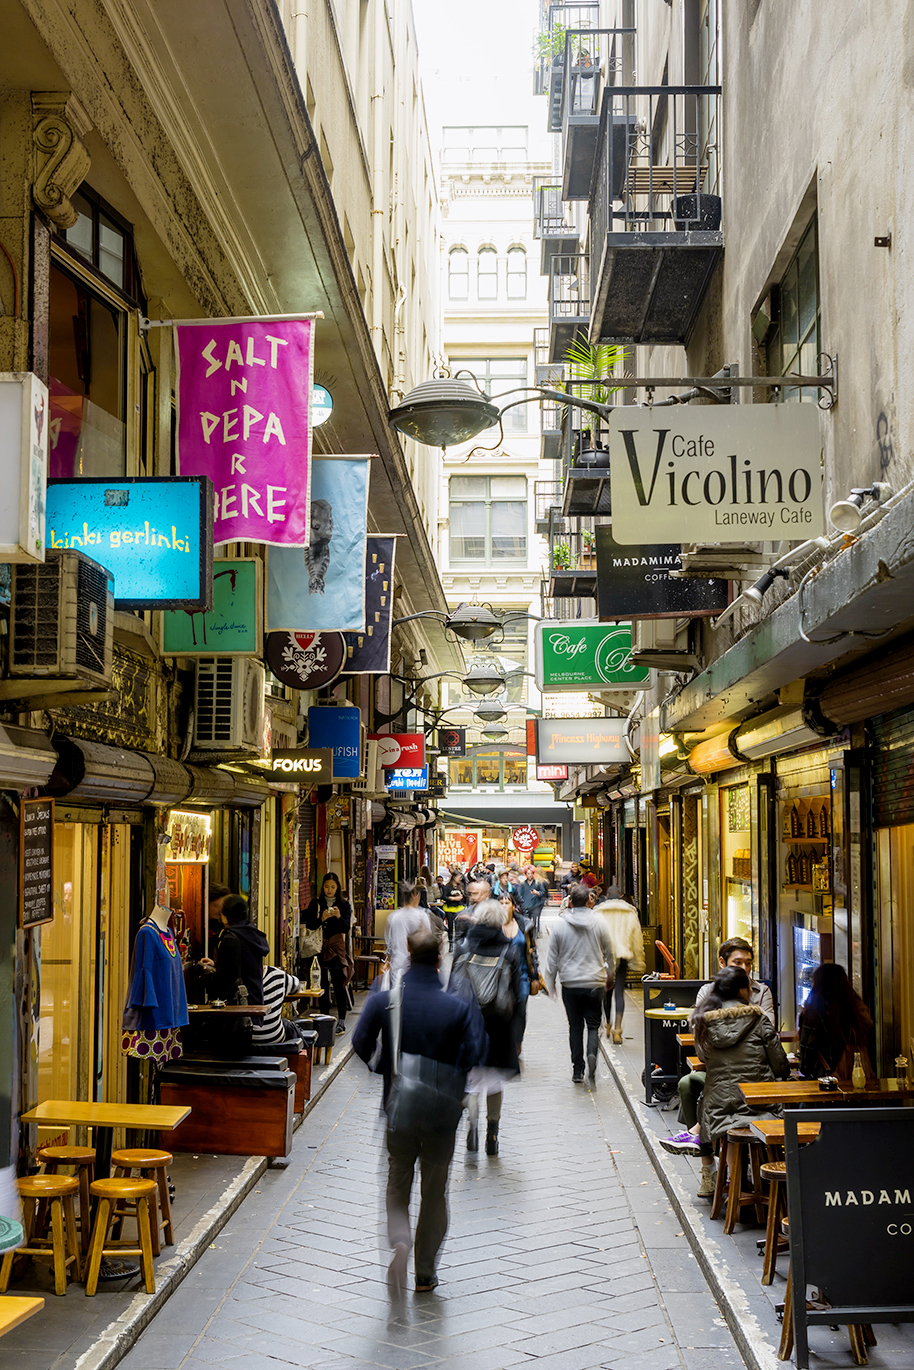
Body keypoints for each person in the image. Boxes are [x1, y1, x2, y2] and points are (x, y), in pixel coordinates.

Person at [352, 926, 487, 1296]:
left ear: (408, 954)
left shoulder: (385, 1001)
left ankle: (399, 1242)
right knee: (434, 1189)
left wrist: (385, 1068)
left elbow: (359, 1041)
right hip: (443, 1114)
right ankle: (425, 1273)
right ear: (440, 959)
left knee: (397, 1181)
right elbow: (474, 1055)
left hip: (399, 1107)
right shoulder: (456, 1007)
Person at [660, 936, 774, 1159]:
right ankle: (708, 1167)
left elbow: (767, 1029)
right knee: (691, 1084)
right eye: (738, 963)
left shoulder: (761, 991)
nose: (745, 968)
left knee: (714, 1093)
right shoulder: (707, 992)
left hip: (743, 1077)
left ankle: (696, 1137)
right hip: (723, 1074)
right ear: (722, 963)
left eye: (749, 963)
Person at [690, 966, 789, 1199]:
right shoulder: (758, 1019)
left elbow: (703, 1058)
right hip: (760, 1106)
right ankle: (770, 1188)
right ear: (744, 990)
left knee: (730, 1127)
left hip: (718, 1109)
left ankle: (736, 1186)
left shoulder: (703, 1022)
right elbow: (780, 1065)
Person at [453, 899, 523, 1157]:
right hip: (499, 1024)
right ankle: (492, 1130)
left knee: (470, 1079)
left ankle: (472, 1125)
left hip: (468, 1023)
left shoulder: (463, 948)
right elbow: (517, 995)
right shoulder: (510, 951)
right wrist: (517, 1032)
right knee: (493, 1081)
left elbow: (453, 989)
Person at [543, 883, 613, 1088]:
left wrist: (551, 984)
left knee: (575, 1027)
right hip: (594, 982)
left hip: (570, 984)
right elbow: (610, 951)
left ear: (570, 901)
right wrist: (611, 974)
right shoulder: (600, 922)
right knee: (593, 1025)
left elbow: (552, 958)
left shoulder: (560, 926)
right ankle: (592, 1054)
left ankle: (577, 1069)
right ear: (590, 901)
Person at [798, 962, 875, 1080]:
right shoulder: (857, 1011)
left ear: (817, 984)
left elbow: (805, 1063)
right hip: (858, 1080)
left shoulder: (813, 1014)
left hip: (825, 1083)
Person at [302, 873, 353, 1034]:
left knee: (339, 983)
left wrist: (338, 916)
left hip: (337, 946)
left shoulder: (344, 905)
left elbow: (346, 928)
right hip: (319, 947)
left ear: (337, 888)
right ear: (322, 887)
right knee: (321, 983)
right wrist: (321, 918)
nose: (329, 890)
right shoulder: (316, 903)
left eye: (332, 887)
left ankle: (342, 1020)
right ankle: (324, 1020)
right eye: (326, 886)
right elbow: (310, 925)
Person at [595, 886, 644, 1043]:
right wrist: (638, 961)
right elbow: (637, 938)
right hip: (622, 955)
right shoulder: (629, 912)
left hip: (604, 957)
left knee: (606, 991)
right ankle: (618, 1030)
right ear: (621, 896)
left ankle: (607, 1024)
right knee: (619, 992)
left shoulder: (598, 912)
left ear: (607, 895)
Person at [200, 894, 269, 1004]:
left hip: (239, 1008)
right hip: (254, 1001)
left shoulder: (231, 939)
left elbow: (225, 981)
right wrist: (216, 964)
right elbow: (242, 966)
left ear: (225, 916)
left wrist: (205, 975)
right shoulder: (250, 933)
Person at [501, 895, 542, 1056]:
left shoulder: (525, 925)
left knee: (520, 1011)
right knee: (503, 1011)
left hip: (522, 976)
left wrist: (536, 976)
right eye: (501, 903)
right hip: (500, 977)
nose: (504, 906)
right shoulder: (492, 925)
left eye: (507, 902)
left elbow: (532, 952)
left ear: (513, 905)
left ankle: (518, 1041)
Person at [386, 882, 447, 984]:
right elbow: (427, 940)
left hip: (398, 962)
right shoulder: (421, 915)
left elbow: (390, 943)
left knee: (398, 995)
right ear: (415, 896)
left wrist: (388, 960)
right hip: (417, 964)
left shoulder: (394, 917)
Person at [252, 964, 302, 1045]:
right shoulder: (276, 975)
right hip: (272, 1037)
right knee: (288, 1025)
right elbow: (296, 986)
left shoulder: (232, 979)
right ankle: (306, 1053)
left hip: (238, 1039)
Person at [513, 863, 548, 934]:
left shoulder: (537, 883)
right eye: (528, 873)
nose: (530, 875)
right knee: (526, 922)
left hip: (535, 905)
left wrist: (537, 893)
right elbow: (519, 895)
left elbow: (542, 892)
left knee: (535, 921)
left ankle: (535, 934)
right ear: (526, 874)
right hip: (526, 906)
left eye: (531, 873)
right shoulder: (523, 884)